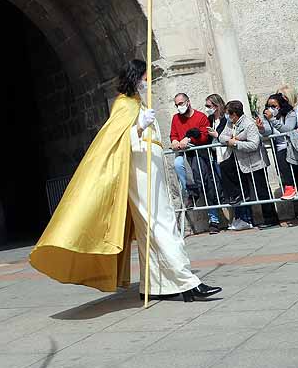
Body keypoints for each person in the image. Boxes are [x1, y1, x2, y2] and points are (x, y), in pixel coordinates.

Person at [31, 58, 221, 304]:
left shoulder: (142, 104)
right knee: (160, 225)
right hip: (140, 174)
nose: (148, 82)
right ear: (134, 78)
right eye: (144, 78)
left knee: (153, 228)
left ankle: (155, 284)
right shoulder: (124, 105)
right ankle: (187, 282)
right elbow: (114, 142)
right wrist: (138, 128)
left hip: (153, 172)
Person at [220, 100, 277, 230]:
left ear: (234, 114)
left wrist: (235, 143)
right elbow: (222, 137)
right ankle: (249, 219)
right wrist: (230, 140)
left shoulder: (249, 124)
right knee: (246, 191)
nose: (227, 117)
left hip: (255, 162)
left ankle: (271, 218)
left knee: (262, 190)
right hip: (242, 163)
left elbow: (253, 144)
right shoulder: (230, 123)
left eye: (229, 114)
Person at [168, 92, 221, 232]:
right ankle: (192, 192)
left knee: (207, 185)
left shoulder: (201, 117)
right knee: (178, 164)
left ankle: (214, 219)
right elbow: (173, 134)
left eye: (180, 103)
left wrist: (189, 139)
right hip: (185, 155)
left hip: (200, 155)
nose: (179, 107)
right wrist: (174, 141)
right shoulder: (175, 118)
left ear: (188, 102)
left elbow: (204, 137)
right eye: (176, 105)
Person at [257, 92, 298, 203]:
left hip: (292, 147)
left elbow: (287, 129)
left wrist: (273, 120)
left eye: (274, 106)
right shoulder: (268, 117)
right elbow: (268, 132)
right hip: (279, 148)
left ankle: (290, 187)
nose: (271, 109)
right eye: (268, 106)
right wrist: (261, 128)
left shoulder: (290, 114)